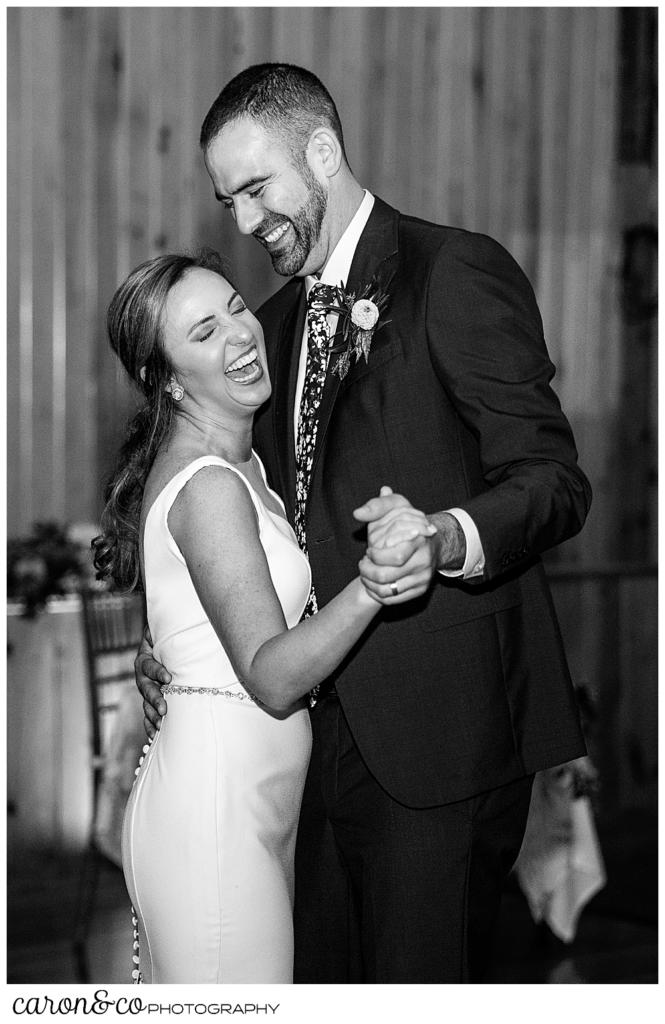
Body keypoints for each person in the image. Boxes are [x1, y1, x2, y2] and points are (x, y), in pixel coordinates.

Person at [136, 63, 593, 983]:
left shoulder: (451, 271)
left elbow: (553, 479)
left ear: (324, 151)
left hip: (444, 737)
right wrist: (185, 655)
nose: (244, 222)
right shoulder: (262, 328)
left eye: (257, 188)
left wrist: (448, 534)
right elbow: (246, 520)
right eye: (227, 200)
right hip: (311, 746)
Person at [93, 249, 431, 984]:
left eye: (237, 308)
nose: (241, 335)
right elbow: (272, 678)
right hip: (216, 811)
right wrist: (377, 582)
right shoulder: (211, 484)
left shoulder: (244, 464)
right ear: (168, 379)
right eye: (203, 332)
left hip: (249, 802)